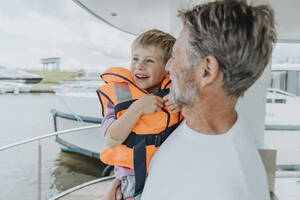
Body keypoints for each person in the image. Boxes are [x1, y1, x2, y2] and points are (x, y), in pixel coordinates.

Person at [140, 0, 277, 200]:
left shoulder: (227, 188)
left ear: (207, 70)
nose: (168, 67)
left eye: (176, 56)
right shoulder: (192, 126)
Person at [96, 29, 183, 200]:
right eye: (135, 59)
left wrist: (184, 105)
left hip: (168, 175)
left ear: (167, 68)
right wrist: (137, 108)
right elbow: (111, 140)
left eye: (149, 60)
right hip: (133, 180)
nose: (139, 66)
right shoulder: (120, 97)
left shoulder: (177, 94)